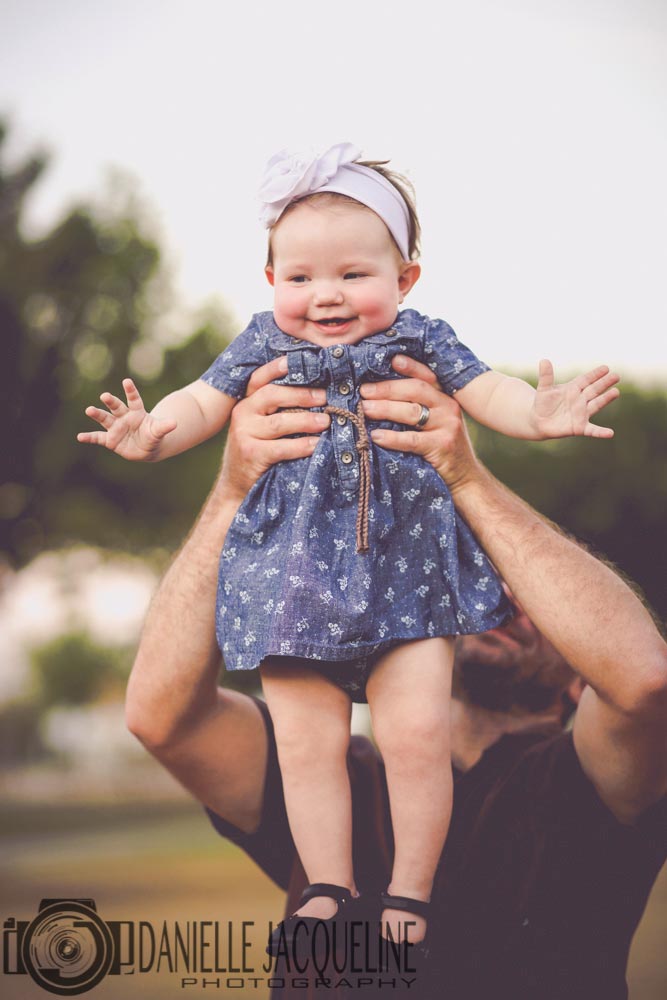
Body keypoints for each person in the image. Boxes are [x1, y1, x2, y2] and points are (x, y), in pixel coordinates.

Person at [82, 143, 621, 950]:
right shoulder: (262, 343)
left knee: (412, 737)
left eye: (352, 275)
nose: (324, 296)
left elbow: (487, 389)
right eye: (299, 277)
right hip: (289, 582)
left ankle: (410, 889)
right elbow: (201, 400)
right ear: (271, 284)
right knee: (305, 744)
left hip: (405, 578)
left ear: (405, 276)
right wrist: (152, 435)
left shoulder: (424, 339)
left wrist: (535, 416)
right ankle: (328, 880)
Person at [126, 355, 667, 999]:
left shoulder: (594, 785)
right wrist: (236, 493)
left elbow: (644, 680)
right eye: (485, 582)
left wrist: (464, 478)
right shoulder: (329, 774)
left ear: (580, 675)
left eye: (526, 593)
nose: (504, 596)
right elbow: (161, 716)